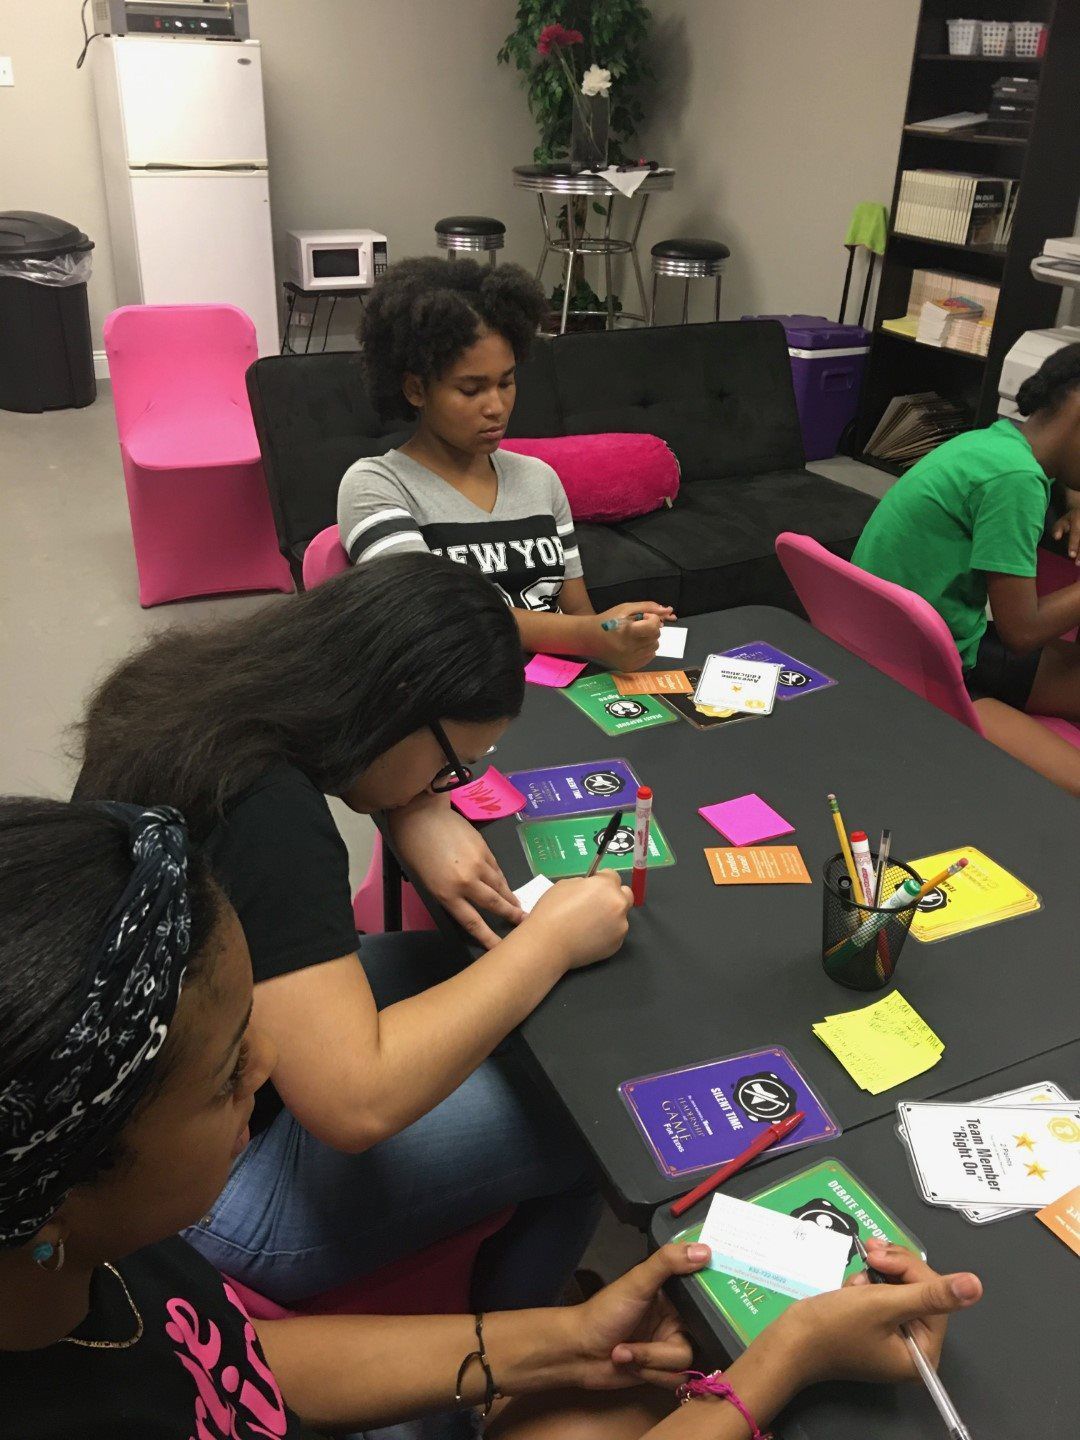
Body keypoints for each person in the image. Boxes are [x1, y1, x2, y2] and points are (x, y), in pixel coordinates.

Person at [0, 795, 985, 1440]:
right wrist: (784, 1362)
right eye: (225, 1078)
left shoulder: (80, 1253)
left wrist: (563, 1335)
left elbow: (232, 1359)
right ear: (56, 1187)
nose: (268, 1065)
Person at [74, 553, 629, 1315]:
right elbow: (353, 1103)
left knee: (464, 971)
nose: (447, 787)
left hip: (156, 1092)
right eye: (449, 766)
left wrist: (413, 808)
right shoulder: (267, 812)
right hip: (199, 1199)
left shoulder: (194, 690)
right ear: (397, 701)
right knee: (592, 1119)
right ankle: (515, 1354)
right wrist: (553, 939)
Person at [337, 256, 673, 672]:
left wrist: (620, 632)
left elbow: (580, 614)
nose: (496, 407)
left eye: (506, 382)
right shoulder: (376, 485)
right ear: (416, 388)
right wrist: (593, 634)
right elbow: (433, 621)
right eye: (471, 389)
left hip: (555, 696)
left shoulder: (539, 479)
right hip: (456, 703)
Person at [852, 343, 1080, 793]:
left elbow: (1059, 474)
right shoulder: (1015, 482)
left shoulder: (997, 444)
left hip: (905, 639)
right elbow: (1023, 632)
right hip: (925, 673)